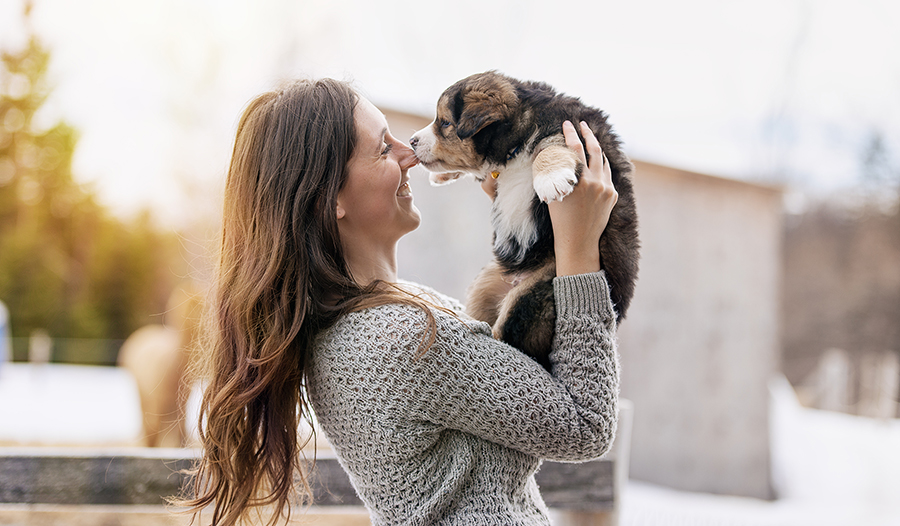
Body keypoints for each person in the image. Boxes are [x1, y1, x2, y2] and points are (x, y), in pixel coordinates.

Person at [181, 78, 620, 526]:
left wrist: (518, 199)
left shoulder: (375, 320)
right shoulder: (404, 339)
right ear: (330, 197)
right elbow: (586, 425)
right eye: (382, 148)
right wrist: (579, 251)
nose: (410, 153)